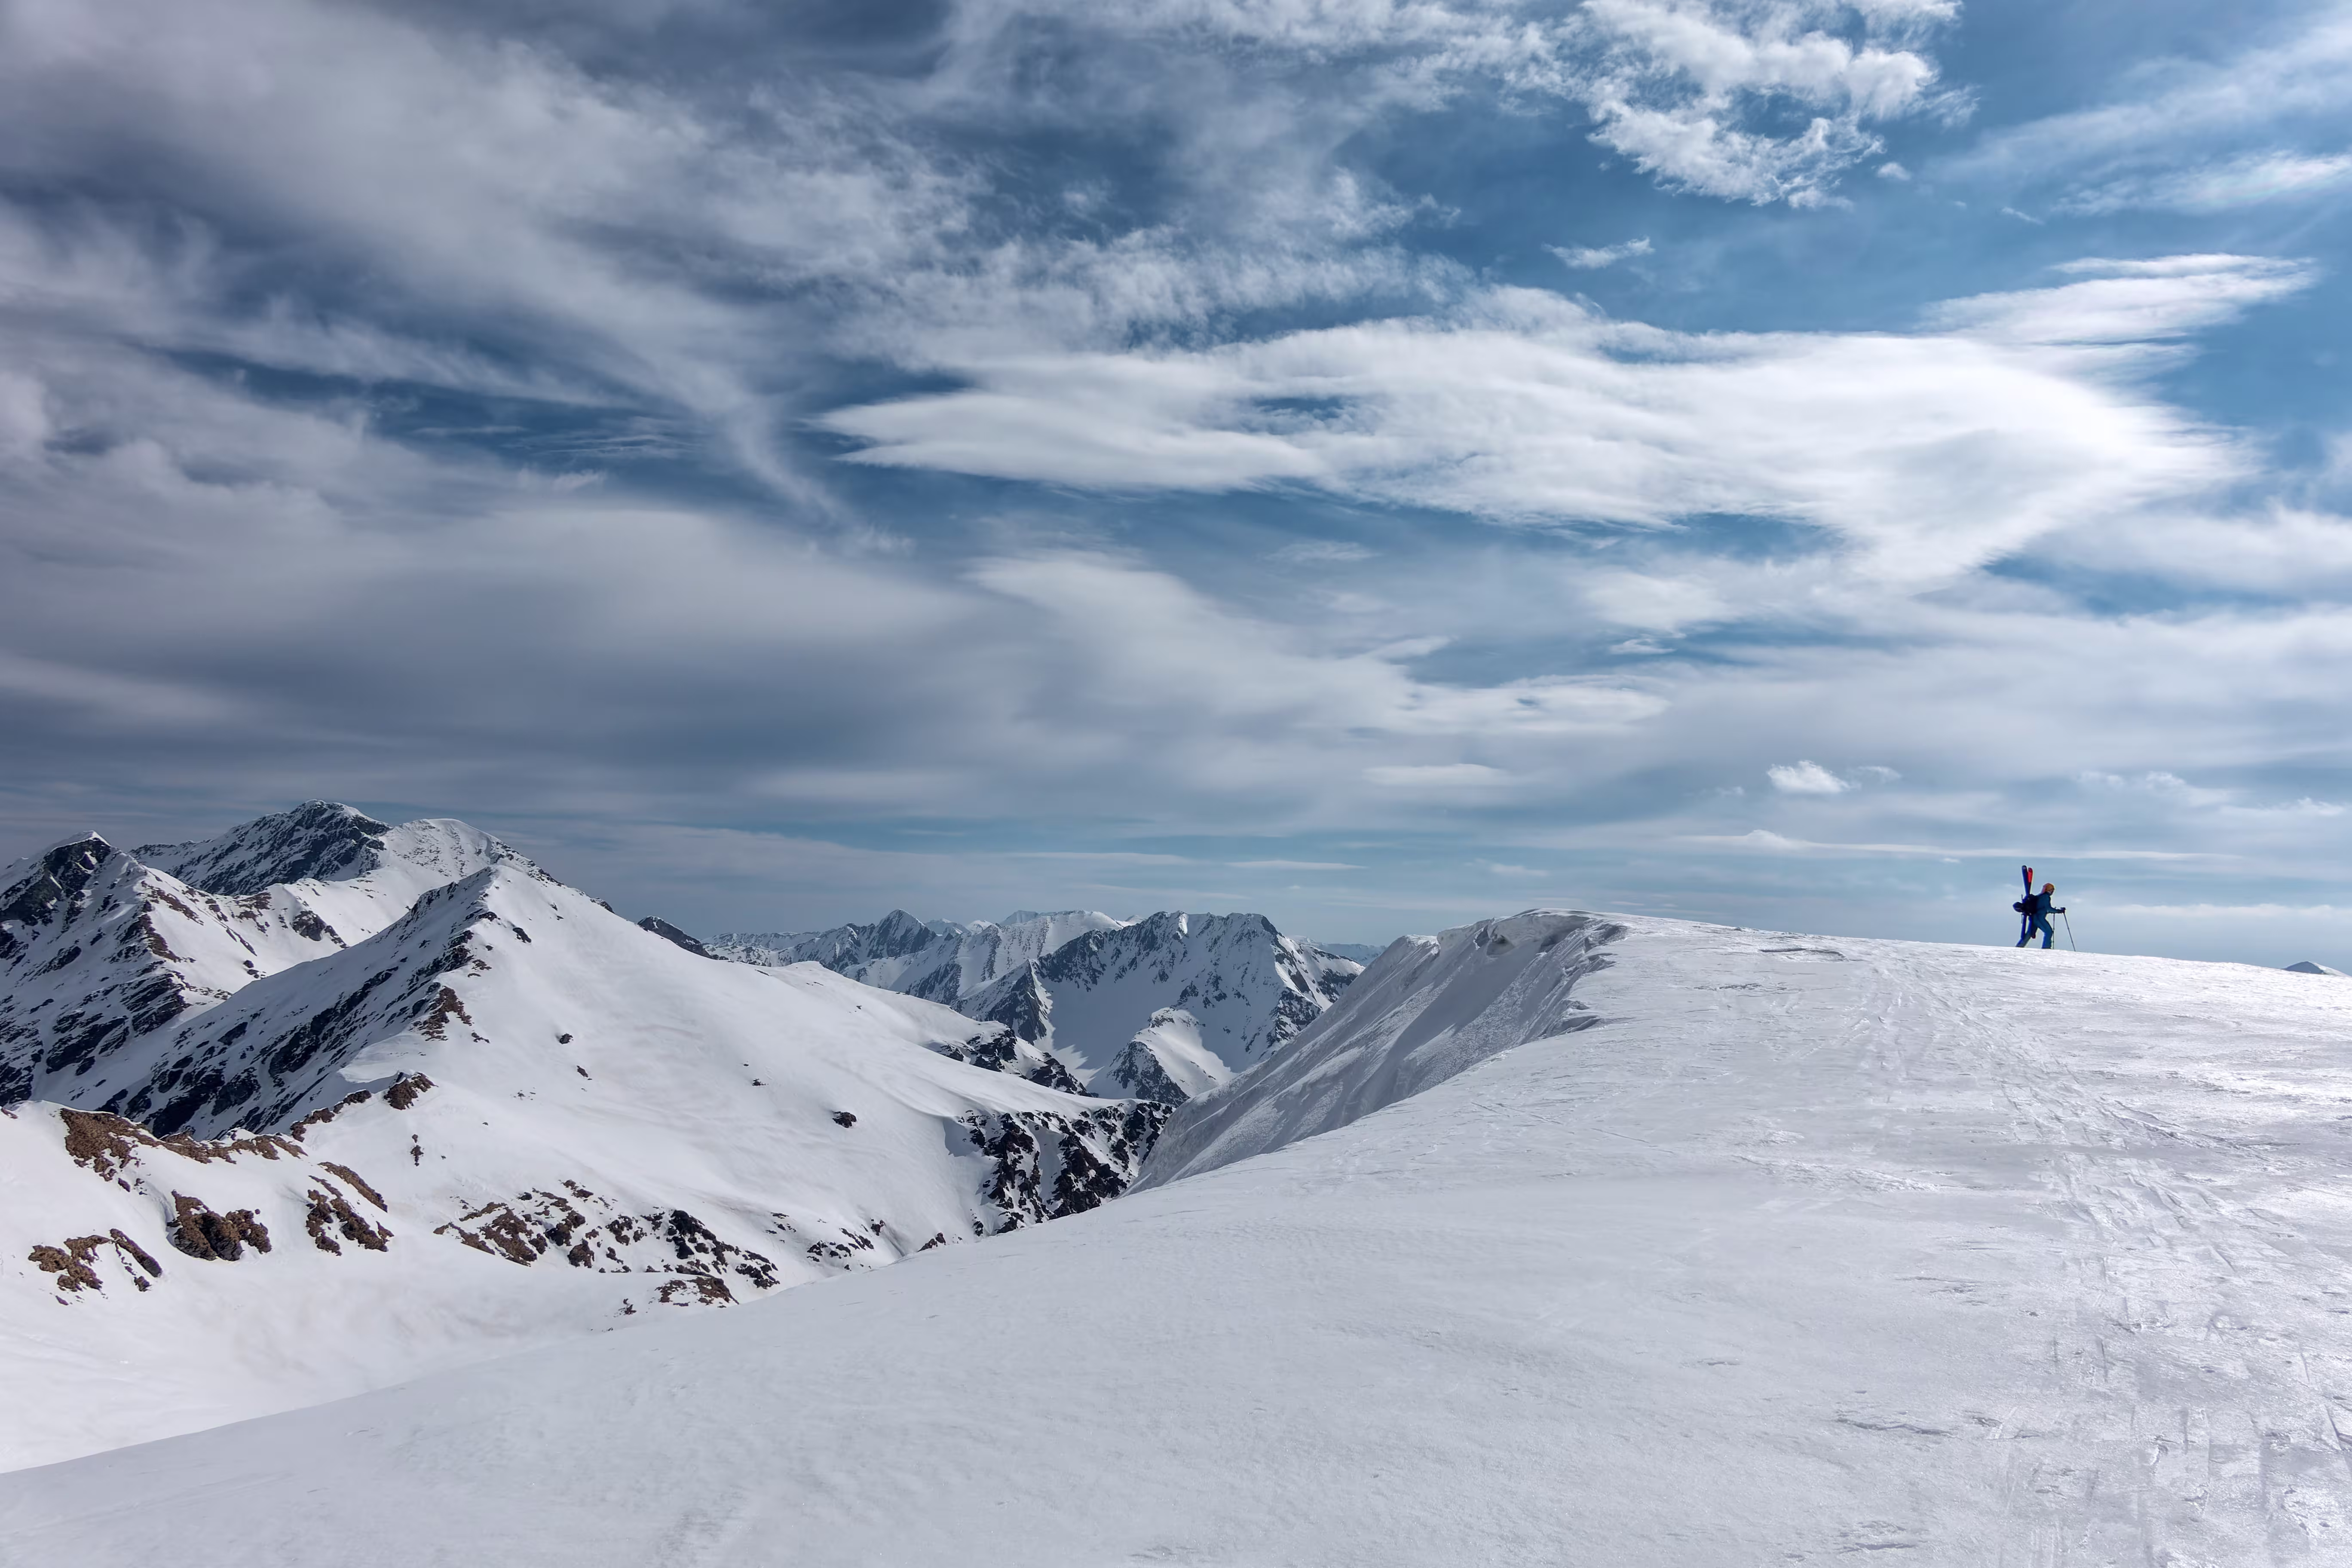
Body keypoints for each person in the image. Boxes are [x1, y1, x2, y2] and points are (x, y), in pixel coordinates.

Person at [2016, 882, 2065, 949]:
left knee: (2030, 933)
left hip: (2033, 917)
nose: (2053, 891)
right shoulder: (2046, 897)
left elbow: (2042, 908)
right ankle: (2046, 947)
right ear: (2049, 890)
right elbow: (2048, 908)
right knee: (2049, 932)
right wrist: (2059, 911)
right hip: (2039, 918)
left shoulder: (2040, 896)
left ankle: (2019, 947)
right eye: (2052, 890)